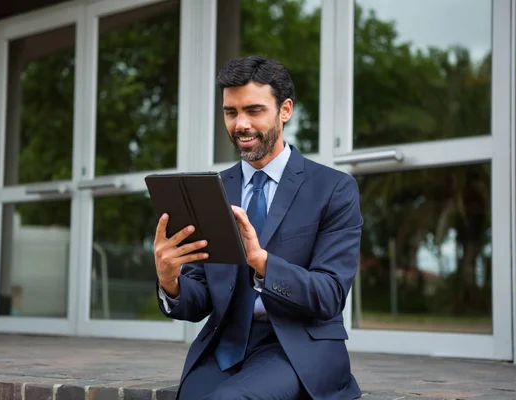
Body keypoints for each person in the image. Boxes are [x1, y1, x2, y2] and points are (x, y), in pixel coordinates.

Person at [153, 55, 363, 400]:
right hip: (224, 348)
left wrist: (261, 261)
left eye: (254, 110)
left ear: (285, 110)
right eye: (230, 112)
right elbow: (198, 300)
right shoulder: (211, 190)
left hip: (295, 350)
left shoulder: (333, 189)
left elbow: (329, 295)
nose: (240, 124)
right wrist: (169, 279)